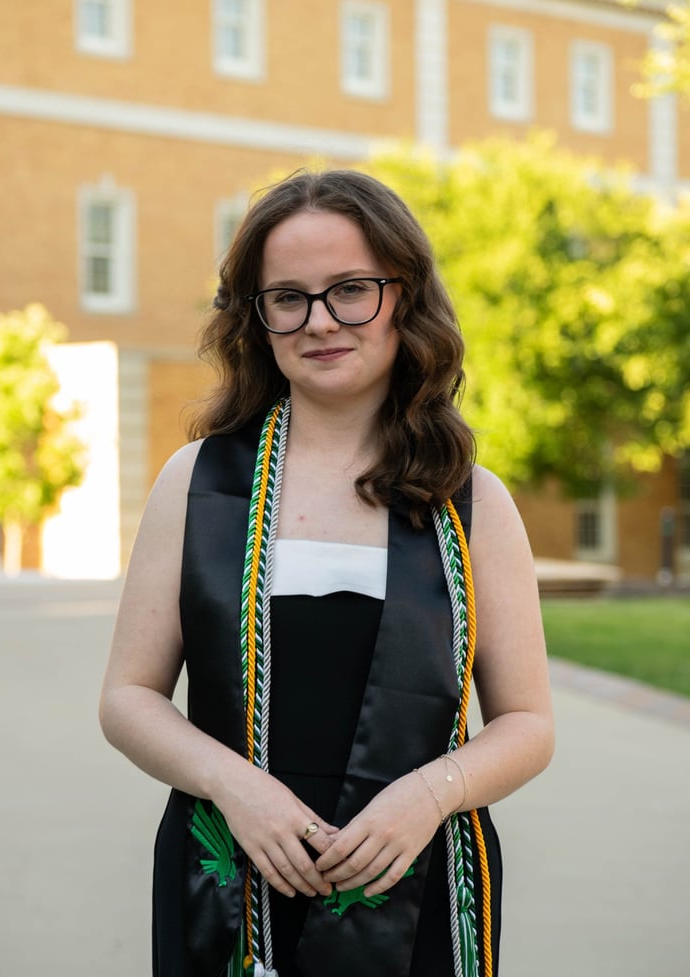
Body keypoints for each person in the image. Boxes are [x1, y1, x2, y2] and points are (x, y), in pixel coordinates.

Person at [99, 169, 555, 977]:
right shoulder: (199, 482)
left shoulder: (471, 502)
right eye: (288, 297)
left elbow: (527, 723)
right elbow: (129, 698)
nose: (320, 321)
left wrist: (431, 793)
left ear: (404, 296)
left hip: (414, 875)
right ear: (257, 317)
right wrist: (236, 788)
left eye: (350, 290)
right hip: (228, 872)